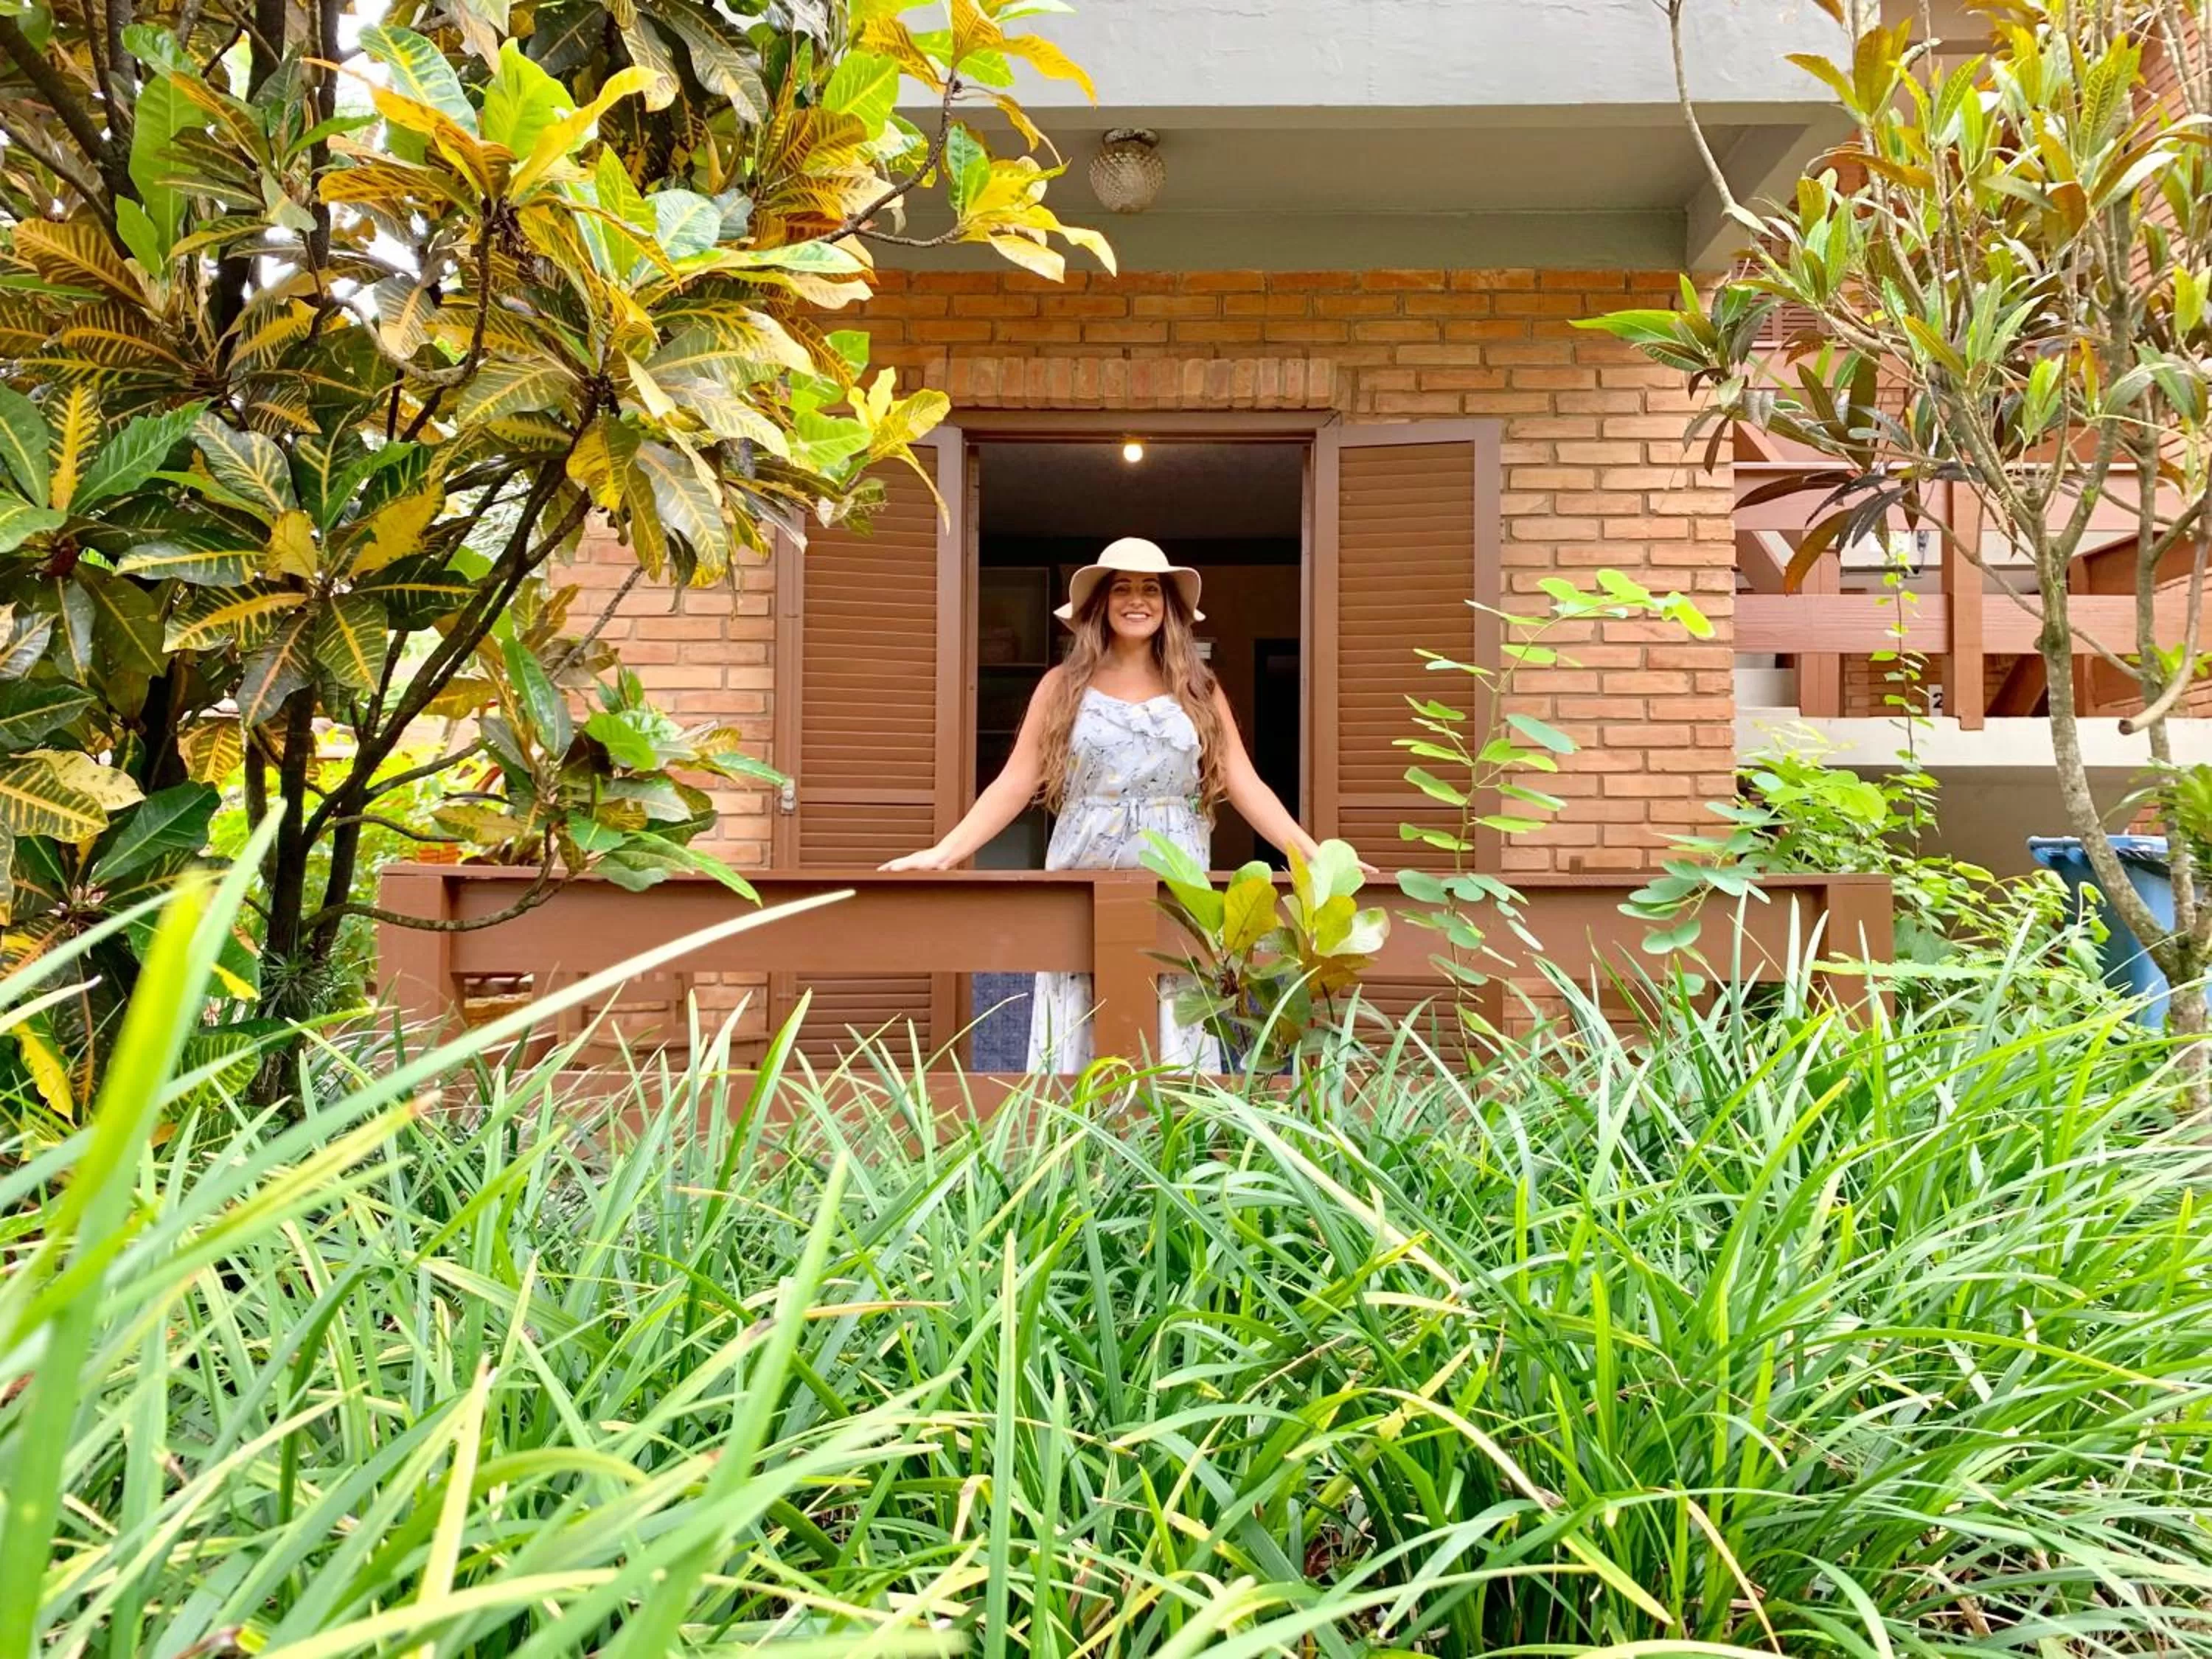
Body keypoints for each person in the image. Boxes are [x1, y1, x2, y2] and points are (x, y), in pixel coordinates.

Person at [881, 537, 1352, 1071]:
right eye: (1122, 588)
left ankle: (1173, 1144)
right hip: (1084, 875)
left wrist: (1316, 859)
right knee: (1083, 1008)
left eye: (1151, 588)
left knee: (1174, 1006)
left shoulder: (1199, 689)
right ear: (1100, 604)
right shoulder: (1063, 686)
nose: (1137, 599)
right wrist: (944, 852)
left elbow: (1246, 785)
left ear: (1169, 606)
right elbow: (1014, 782)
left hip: (1175, 885)